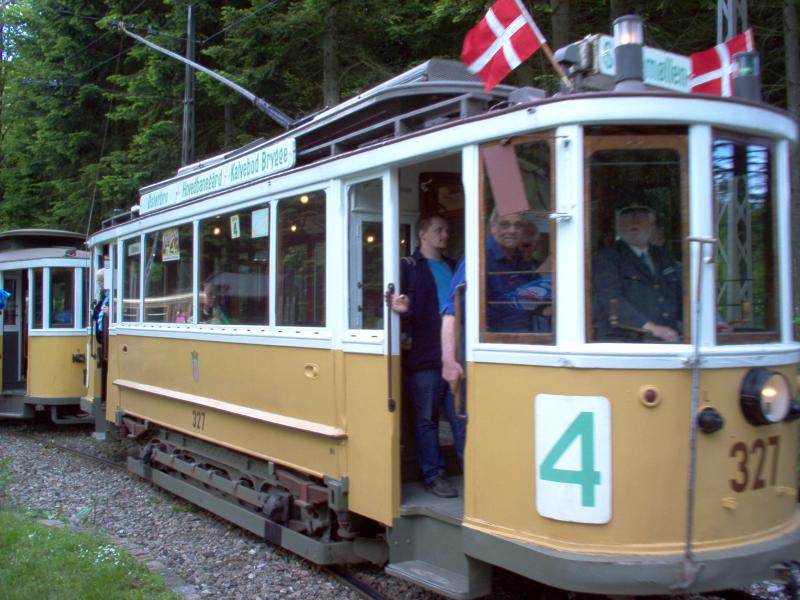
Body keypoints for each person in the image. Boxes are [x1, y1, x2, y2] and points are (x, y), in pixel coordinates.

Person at [389, 214, 464, 498]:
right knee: (427, 421)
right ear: (423, 234)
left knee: (461, 418)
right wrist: (400, 309)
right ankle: (434, 474)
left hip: (455, 356)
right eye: (438, 230)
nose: (445, 235)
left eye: (447, 229)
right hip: (423, 358)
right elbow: (394, 305)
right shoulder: (408, 266)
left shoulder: (454, 265)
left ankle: (472, 470)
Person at [592, 200, 682, 342]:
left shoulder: (664, 256)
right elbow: (611, 298)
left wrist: (711, 322)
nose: (634, 222)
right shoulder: (607, 258)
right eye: (627, 216)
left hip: (667, 341)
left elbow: (682, 295)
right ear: (619, 224)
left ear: (652, 223)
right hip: (624, 343)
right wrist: (650, 327)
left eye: (640, 216)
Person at [486, 211, 550, 333]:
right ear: (492, 227)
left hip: (526, 340)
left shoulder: (521, 262)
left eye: (518, 225)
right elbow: (454, 312)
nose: (512, 230)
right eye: (504, 224)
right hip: (495, 344)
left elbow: (536, 299)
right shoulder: (479, 259)